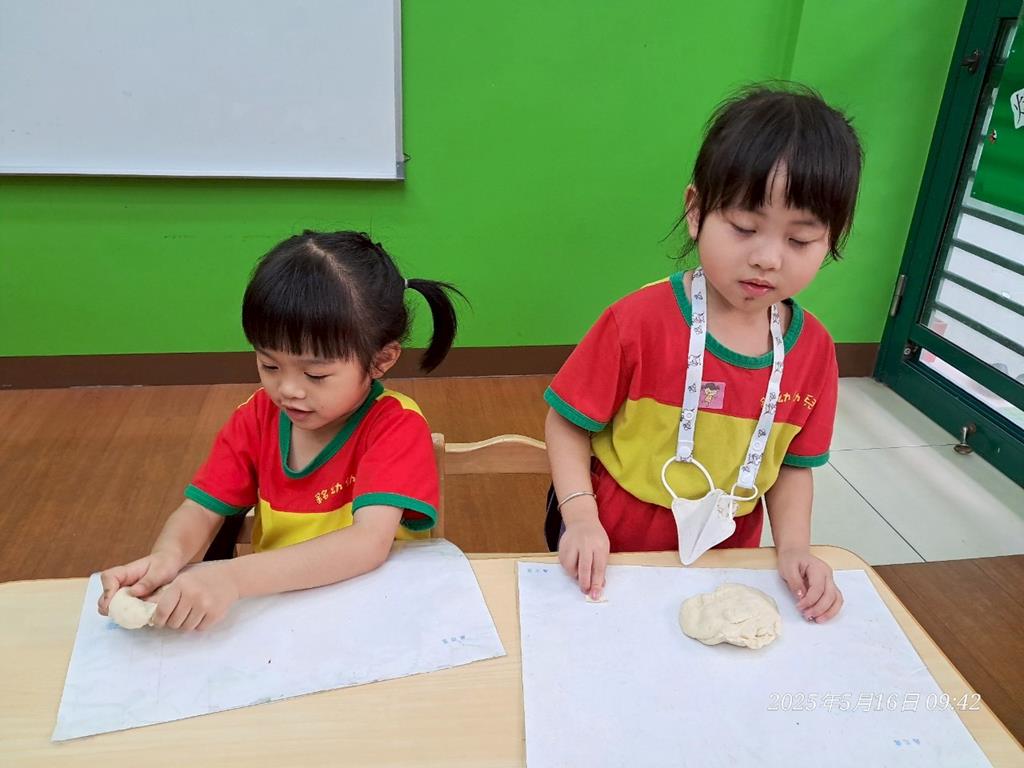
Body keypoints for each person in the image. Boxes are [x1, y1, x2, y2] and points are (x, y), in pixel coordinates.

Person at [544, 84, 863, 623]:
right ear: (696, 212)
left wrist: (793, 548)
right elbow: (566, 423)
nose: (767, 258)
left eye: (800, 240)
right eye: (745, 227)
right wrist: (579, 517)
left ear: (830, 240)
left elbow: (792, 466)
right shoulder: (636, 322)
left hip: (729, 555)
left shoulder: (814, 351)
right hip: (614, 545)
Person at [98, 230, 462, 630]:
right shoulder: (257, 418)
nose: (287, 389)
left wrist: (232, 578)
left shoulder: (395, 425)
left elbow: (367, 543)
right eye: (269, 365)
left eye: (315, 374)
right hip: (278, 615)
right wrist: (166, 559)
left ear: (381, 360)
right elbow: (200, 510)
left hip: (378, 613)